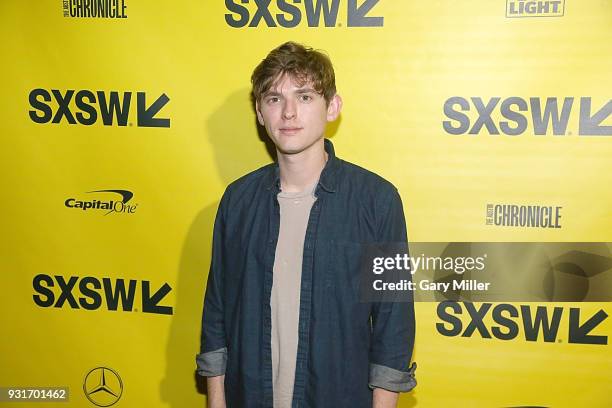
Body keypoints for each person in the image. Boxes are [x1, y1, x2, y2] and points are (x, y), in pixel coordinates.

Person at [196, 41, 416, 408]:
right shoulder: (237, 202)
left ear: (333, 107)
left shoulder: (378, 201)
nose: (289, 113)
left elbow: (393, 325)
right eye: (274, 99)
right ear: (259, 112)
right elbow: (216, 315)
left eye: (305, 97)